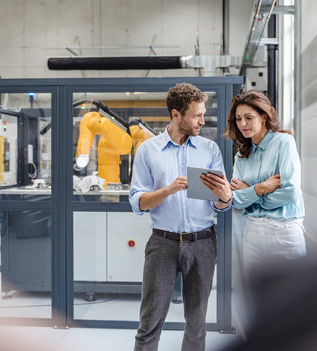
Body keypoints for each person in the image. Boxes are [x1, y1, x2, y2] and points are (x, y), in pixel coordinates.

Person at [129, 83, 232, 351]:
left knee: (197, 324)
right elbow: (137, 201)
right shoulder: (147, 151)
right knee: (150, 321)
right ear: (176, 114)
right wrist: (168, 189)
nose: (202, 120)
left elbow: (221, 206)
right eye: (197, 115)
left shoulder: (209, 150)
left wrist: (225, 196)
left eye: (203, 114)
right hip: (163, 244)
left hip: (203, 243)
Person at [224, 89, 306, 273]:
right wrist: (261, 188)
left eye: (248, 117)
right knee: (259, 299)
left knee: (294, 297)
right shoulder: (241, 156)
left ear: (263, 116)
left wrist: (252, 193)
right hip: (252, 234)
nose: (243, 124)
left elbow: (291, 192)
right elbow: (236, 199)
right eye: (238, 119)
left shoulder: (284, 142)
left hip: (285, 233)